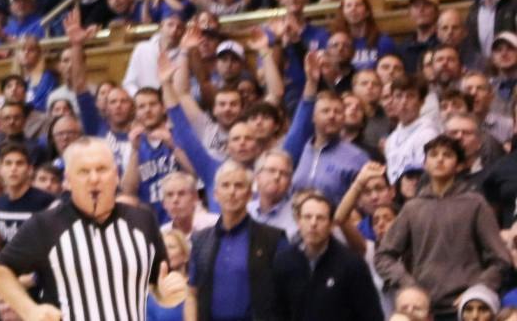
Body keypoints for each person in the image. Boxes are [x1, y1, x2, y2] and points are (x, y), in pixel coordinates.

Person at [0, 138, 183, 321]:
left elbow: (159, 287)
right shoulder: (46, 225)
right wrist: (29, 310)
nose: (94, 178)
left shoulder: (143, 220)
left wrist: (169, 295)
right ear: (68, 180)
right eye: (83, 171)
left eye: (102, 169)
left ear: (116, 175)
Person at [373, 136, 514, 318]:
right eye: (433, 155)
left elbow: (501, 258)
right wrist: (409, 285)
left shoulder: (475, 204)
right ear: (425, 163)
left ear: (459, 165)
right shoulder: (413, 207)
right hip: (423, 311)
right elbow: (383, 256)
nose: (439, 159)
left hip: (466, 310)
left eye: (447, 155)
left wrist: (478, 290)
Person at [187, 164, 282, 321]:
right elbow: (191, 294)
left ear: (250, 194)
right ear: (216, 194)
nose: (232, 192)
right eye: (225, 185)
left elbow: (286, 295)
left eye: (239, 186)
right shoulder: (200, 240)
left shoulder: (272, 239)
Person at [269, 190, 382, 321]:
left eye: (320, 218)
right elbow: (276, 312)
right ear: (298, 222)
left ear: (331, 225)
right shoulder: (283, 262)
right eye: (307, 217)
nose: (313, 224)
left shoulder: (351, 265)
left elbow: (370, 315)